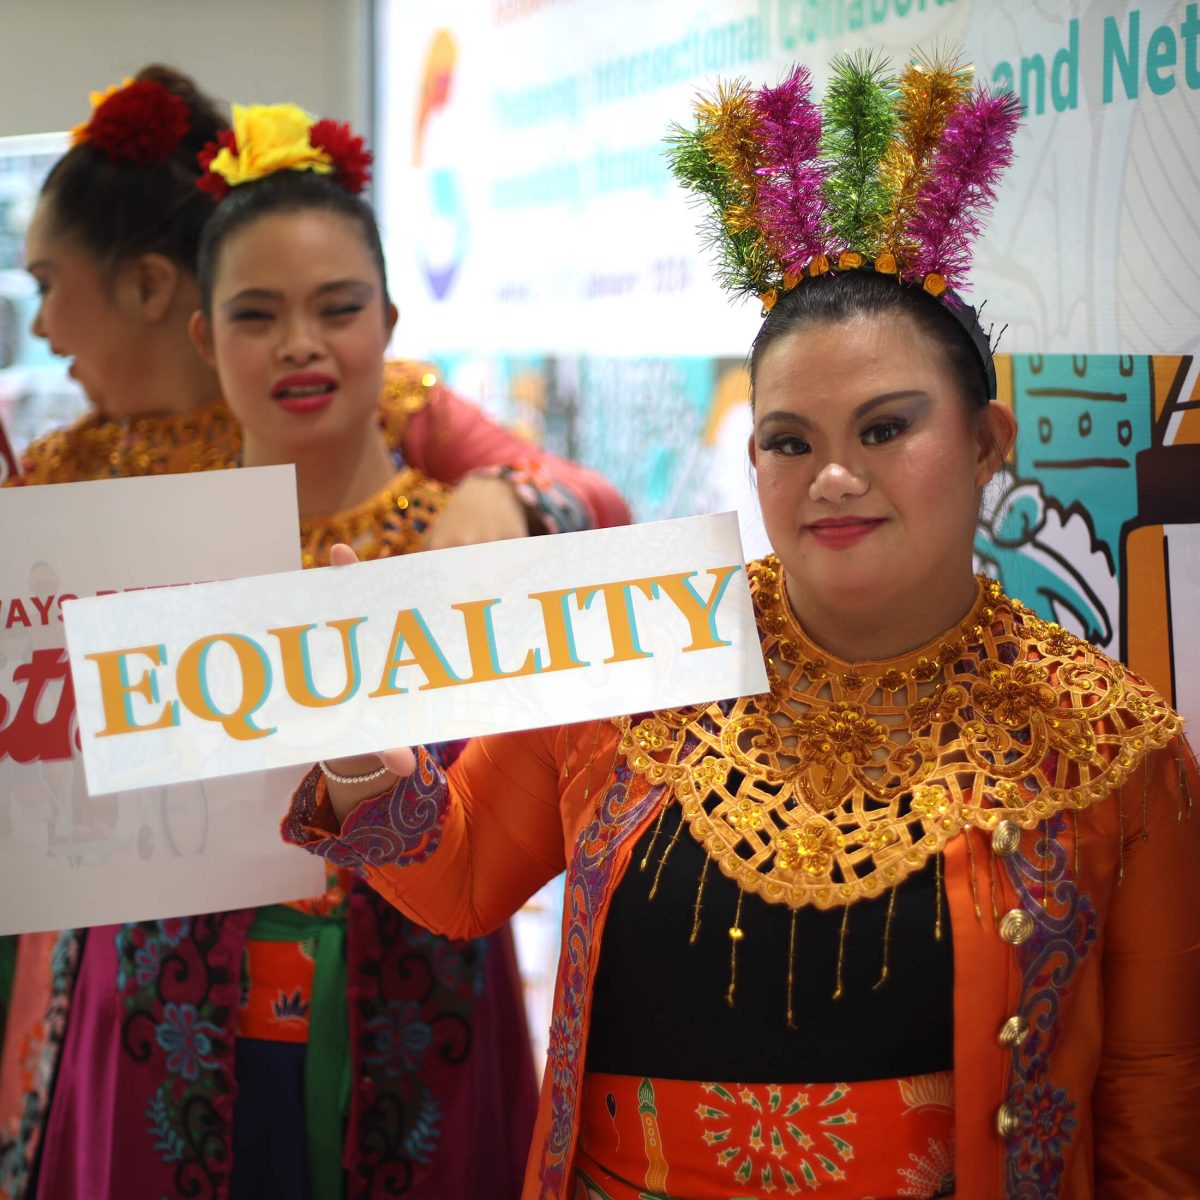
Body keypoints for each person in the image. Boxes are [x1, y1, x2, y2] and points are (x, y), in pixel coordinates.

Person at [280, 53, 1200, 1199]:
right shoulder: (639, 648)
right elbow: (462, 875)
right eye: (791, 441)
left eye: (885, 429)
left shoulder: (1108, 744)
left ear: (987, 442)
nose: (834, 479)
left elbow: (1156, 1091)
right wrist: (366, 752)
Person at [1, 82, 629, 1200]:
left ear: (389, 326)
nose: (299, 345)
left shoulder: (458, 524)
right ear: (204, 330)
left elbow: (603, 544)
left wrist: (512, 498)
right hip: (161, 1015)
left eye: (338, 308)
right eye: (255, 315)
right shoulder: (134, 520)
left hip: (415, 1005)